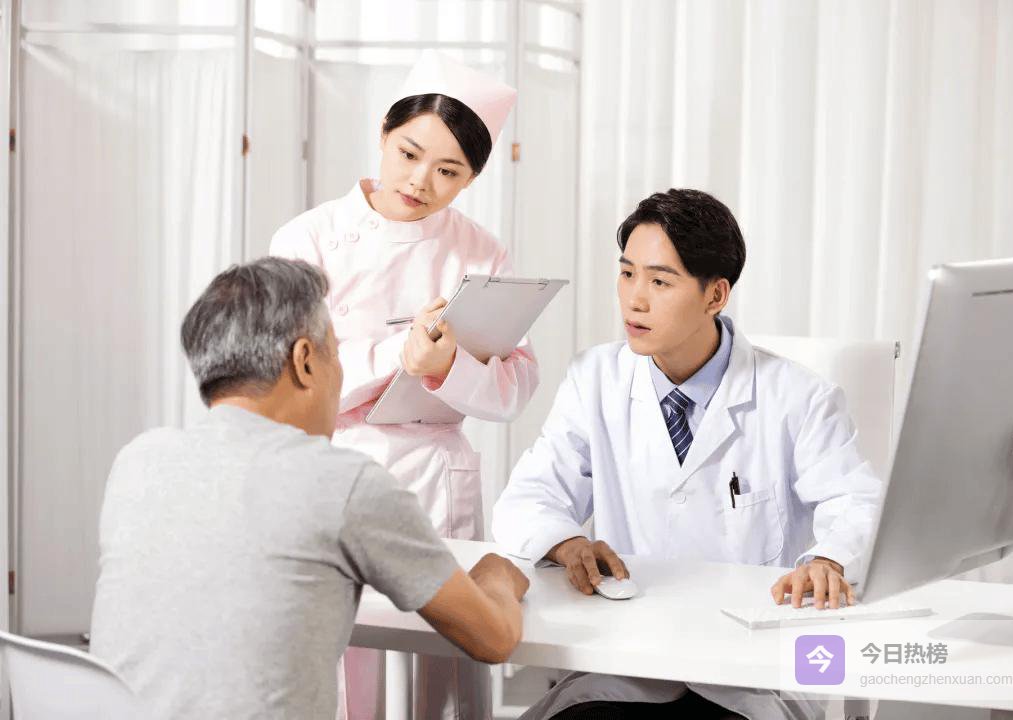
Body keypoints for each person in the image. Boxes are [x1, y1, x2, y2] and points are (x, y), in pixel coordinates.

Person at [492, 189, 882, 719]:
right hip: (624, 665)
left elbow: (859, 503)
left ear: (715, 295)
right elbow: (529, 496)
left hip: (746, 676)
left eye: (660, 281)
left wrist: (828, 559)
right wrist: (564, 542)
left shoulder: (800, 396)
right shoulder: (595, 379)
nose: (634, 299)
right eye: (626, 273)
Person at [90, 258, 529, 720]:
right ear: (304, 361)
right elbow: (493, 638)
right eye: (334, 354)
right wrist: (497, 573)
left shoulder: (138, 462)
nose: (339, 376)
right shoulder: (342, 483)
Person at [270, 50, 536, 719]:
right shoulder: (309, 239)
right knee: (346, 675)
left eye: (449, 171)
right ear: (383, 133)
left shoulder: (481, 251)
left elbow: (514, 387)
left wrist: (446, 369)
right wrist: (402, 354)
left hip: (437, 483)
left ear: (473, 177)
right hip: (339, 474)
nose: (421, 181)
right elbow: (287, 380)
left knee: (437, 683)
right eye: (409, 154)